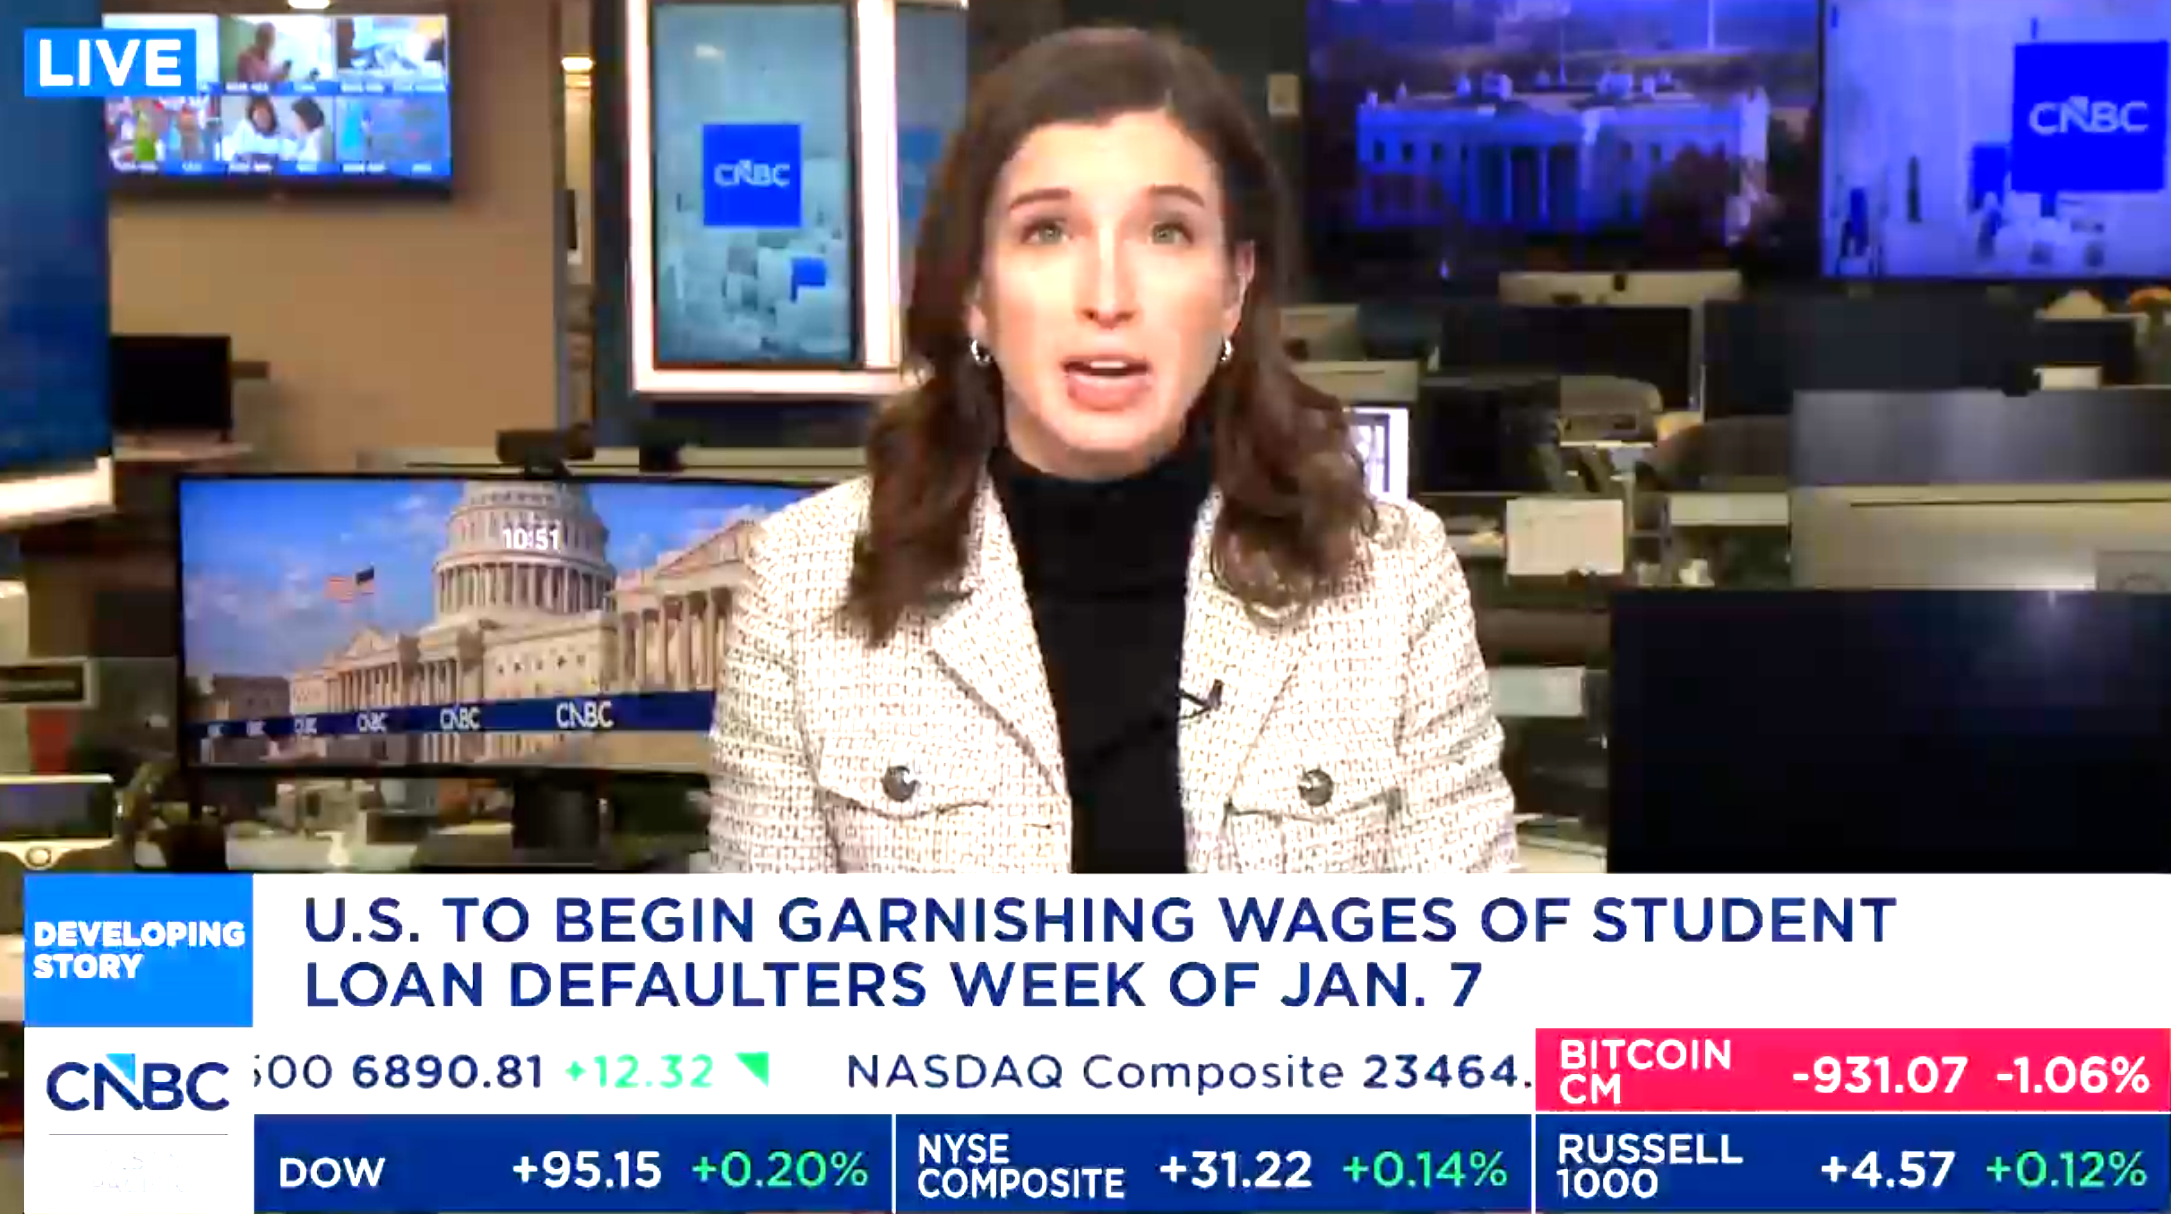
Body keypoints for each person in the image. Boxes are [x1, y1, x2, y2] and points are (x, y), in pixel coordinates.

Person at [707, 27, 1516, 874]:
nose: (1107, 296)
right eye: (1047, 231)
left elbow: (1467, 950)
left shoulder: (1393, 584)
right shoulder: (801, 588)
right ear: (976, 291)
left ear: (1234, 286)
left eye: (1166, 232)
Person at [225, 96, 288, 165]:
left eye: (265, 115)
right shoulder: (244, 130)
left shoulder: (280, 136)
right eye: (259, 115)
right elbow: (240, 151)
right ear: (251, 117)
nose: (262, 119)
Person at [234, 22, 292, 86]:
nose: (273, 44)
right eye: (270, 39)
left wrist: (282, 74)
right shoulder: (246, 59)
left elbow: (269, 78)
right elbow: (252, 87)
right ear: (259, 39)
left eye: (273, 40)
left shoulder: (266, 58)